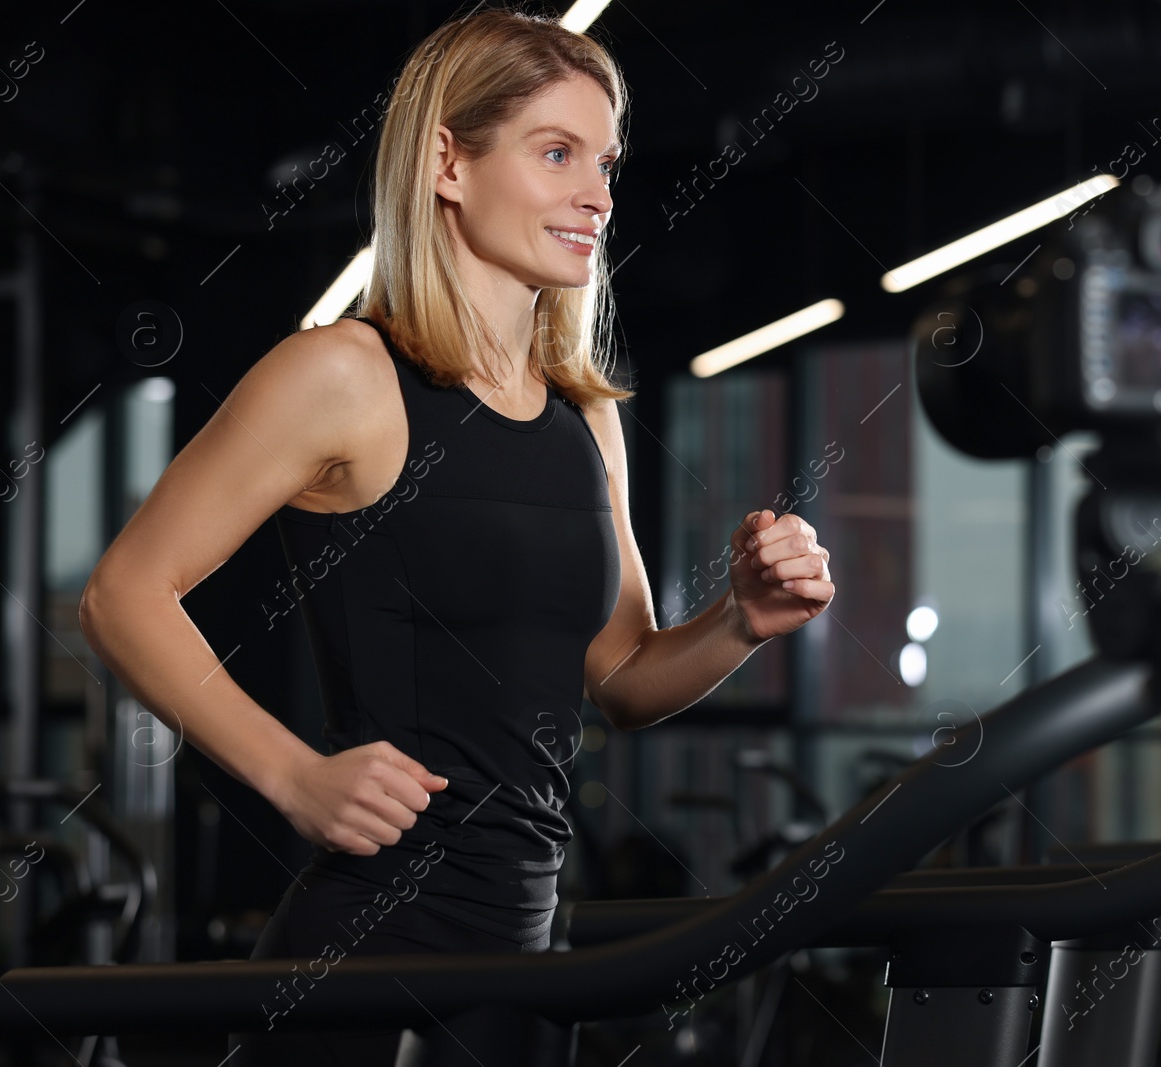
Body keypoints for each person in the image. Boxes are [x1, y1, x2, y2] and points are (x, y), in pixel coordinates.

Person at [77, 8, 835, 1064]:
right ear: (447, 160)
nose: (597, 195)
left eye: (605, 162)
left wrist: (740, 621)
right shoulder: (345, 374)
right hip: (373, 950)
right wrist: (295, 775)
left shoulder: (584, 414)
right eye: (557, 153)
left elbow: (620, 674)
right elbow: (123, 593)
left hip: (529, 957)